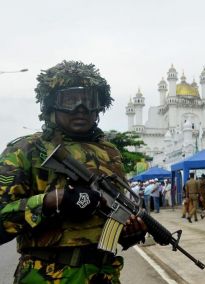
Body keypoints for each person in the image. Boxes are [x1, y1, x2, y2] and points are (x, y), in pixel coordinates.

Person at [0, 60, 147, 283]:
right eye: (70, 100)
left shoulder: (109, 153)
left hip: (103, 275)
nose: (81, 108)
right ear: (52, 105)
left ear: (99, 106)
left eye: (89, 101)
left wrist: (130, 232)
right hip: (45, 275)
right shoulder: (25, 151)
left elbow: (113, 216)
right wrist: (53, 201)